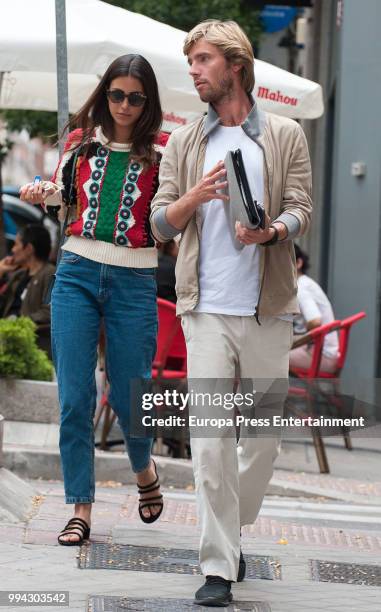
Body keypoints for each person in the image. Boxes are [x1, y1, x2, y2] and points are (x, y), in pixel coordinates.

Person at [150, 20, 312, 607]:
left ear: (234, 66)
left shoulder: (286, 134)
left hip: (268, 305)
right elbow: (157, 221)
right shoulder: (185, 141)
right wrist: (192, 199)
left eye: (202, 59)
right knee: (212, 440)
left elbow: (301, 210)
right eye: (190, 60)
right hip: (206, 307)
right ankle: (218, 563)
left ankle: (231, 528)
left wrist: (270, 231)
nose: (193, 70)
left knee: (262, 438)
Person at [20, 54, 167, 546]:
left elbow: (172, 217)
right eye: (116, 94)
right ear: (105, 94)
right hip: (77, 273)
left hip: (135, 282)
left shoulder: (163, 152)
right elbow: (61, 194)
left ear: (148, 103)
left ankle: (143, 467)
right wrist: (41, 191)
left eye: (135, 97)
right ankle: (80, 507)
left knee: (131, 400)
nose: (124, 105)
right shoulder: (80, 144)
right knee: (75, 398)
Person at [0, 224, 54, 355]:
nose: (12, 250)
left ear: (29, 249)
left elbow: (48, 312)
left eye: (16, 244)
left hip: (30, 343)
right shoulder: (18, 275)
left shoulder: (50, 274)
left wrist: (16, 324)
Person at [290, 244, 339, 372]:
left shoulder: (301, 287)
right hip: (322, 352)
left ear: (298, 263)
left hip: (321, 356)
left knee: (263, 356)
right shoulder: (306, 283)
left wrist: (298, 338)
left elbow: (315, 321)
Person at [156, 239, 179, 303]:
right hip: (172, 310)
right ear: (172, 246)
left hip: (152, 307)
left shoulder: (153, 265)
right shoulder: (177, 267)